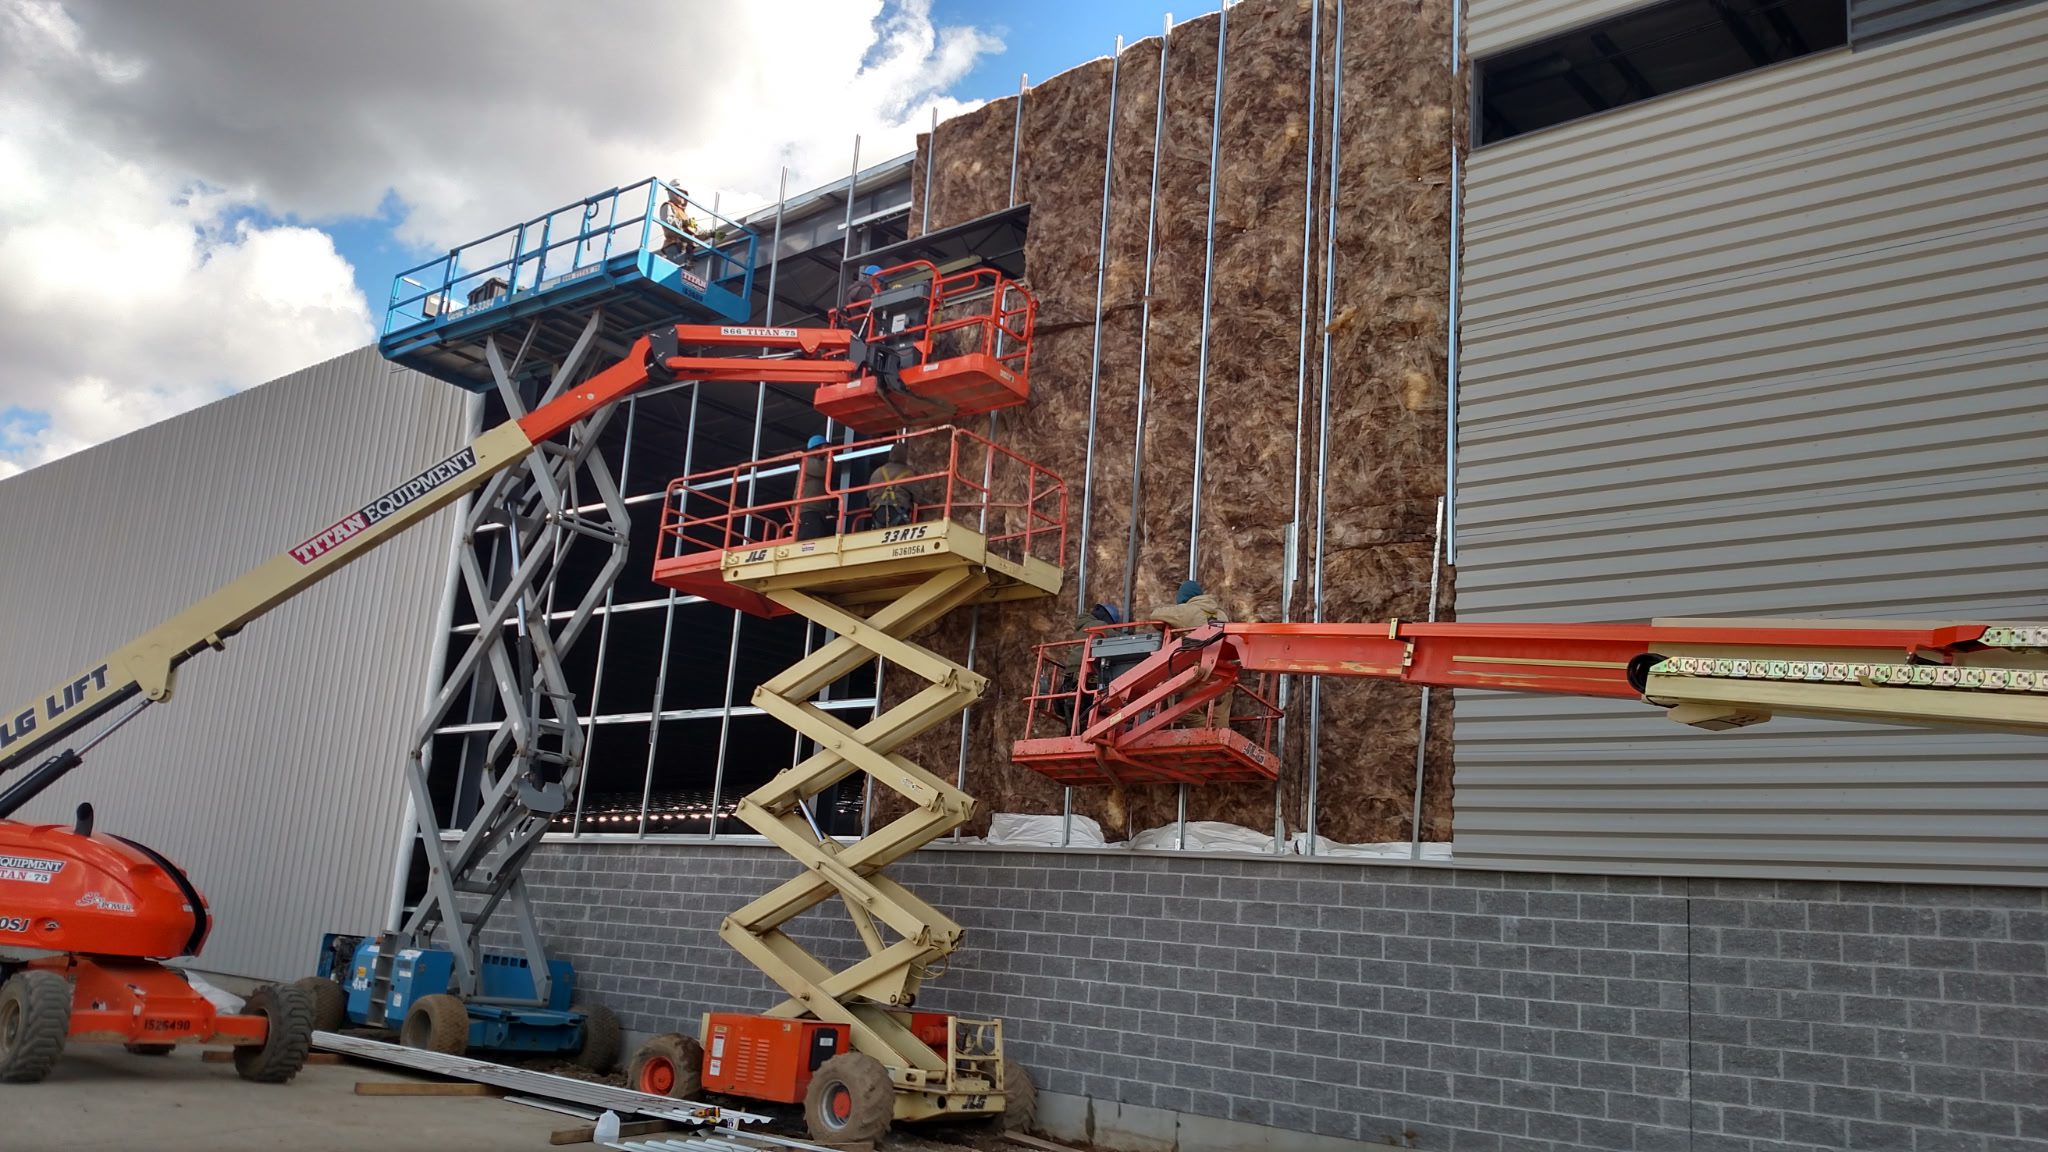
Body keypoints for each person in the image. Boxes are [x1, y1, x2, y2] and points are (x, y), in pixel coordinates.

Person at [866, 443, 918, 528]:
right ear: (905, 456)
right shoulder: (908, 473)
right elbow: (918, 497)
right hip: (899, 515)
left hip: (879, 516)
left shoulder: (877, 472)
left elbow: (869, 495)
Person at [795, 434, 835, 541]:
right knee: (811, 541)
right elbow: (823, 470)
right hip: (809, 510)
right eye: (825, 447)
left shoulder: (816, 462)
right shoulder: (807, 461)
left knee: (820, 538)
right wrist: (828, 456)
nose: (828, 450)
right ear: (817, 448)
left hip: (817, 510)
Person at [1146, 579, 1226, 632]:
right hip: (1218, 654)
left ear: (1182, 597)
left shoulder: (1185, 611)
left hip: (1195, 653)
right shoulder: (1221, 614)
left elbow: (1155, 615)